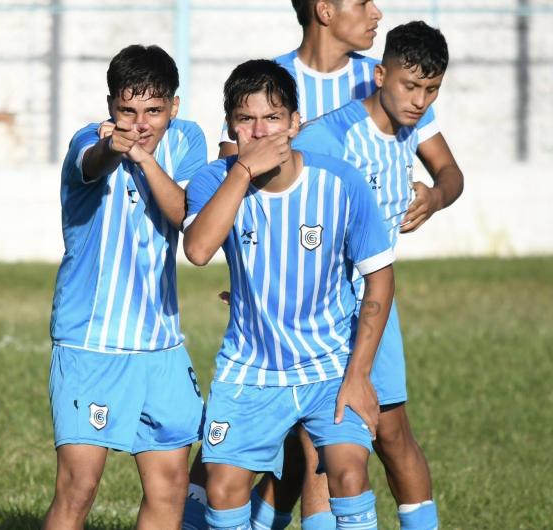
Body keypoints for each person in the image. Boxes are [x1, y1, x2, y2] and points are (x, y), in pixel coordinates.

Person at [185, 1, 464, 528]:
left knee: (377, 433)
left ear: (292, 120)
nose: (376, 12)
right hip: (277, 311)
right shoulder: (269, 80)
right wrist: (254, 274)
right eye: (361, 1)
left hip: (358, 301)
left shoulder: (392, 79)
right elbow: (230, 200)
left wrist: (436, 196)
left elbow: (448, 171)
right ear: (325, 9)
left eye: (274, 120)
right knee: (273, 456)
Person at [183, 58, 395, 530]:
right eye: (246, 119)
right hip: (250, 371)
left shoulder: (341, 182)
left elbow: (380, 276)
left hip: (329, 368)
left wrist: (358, 374)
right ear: (231, 126)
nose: (260, 132)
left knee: (348, 471)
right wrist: (241, 174)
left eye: (273, 118)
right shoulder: (213, 181)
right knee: (220, 487)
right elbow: (197, 250)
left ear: (295, 123)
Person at [292, 22, 459, 528]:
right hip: (317, 306)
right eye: (410, 87)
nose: (419, 99)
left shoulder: (414, 122)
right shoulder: (328, 136)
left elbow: (451, 173)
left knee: (391, 432)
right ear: (381, 75)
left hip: (376, 302)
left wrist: (434, 196)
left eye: (431, 90)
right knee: (325, 440)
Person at [43, 44, 206, 530]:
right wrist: (114, 150)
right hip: (91, 344)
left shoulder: (188, 141)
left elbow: (184, 216)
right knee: (79, 488)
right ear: (111, 105)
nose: (140, 123)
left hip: (161, 348)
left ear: (173, 107)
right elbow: (91, 162)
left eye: (154, 110)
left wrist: (143, 157)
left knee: (171, 487)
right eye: (127, 110)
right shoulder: (88, 143)